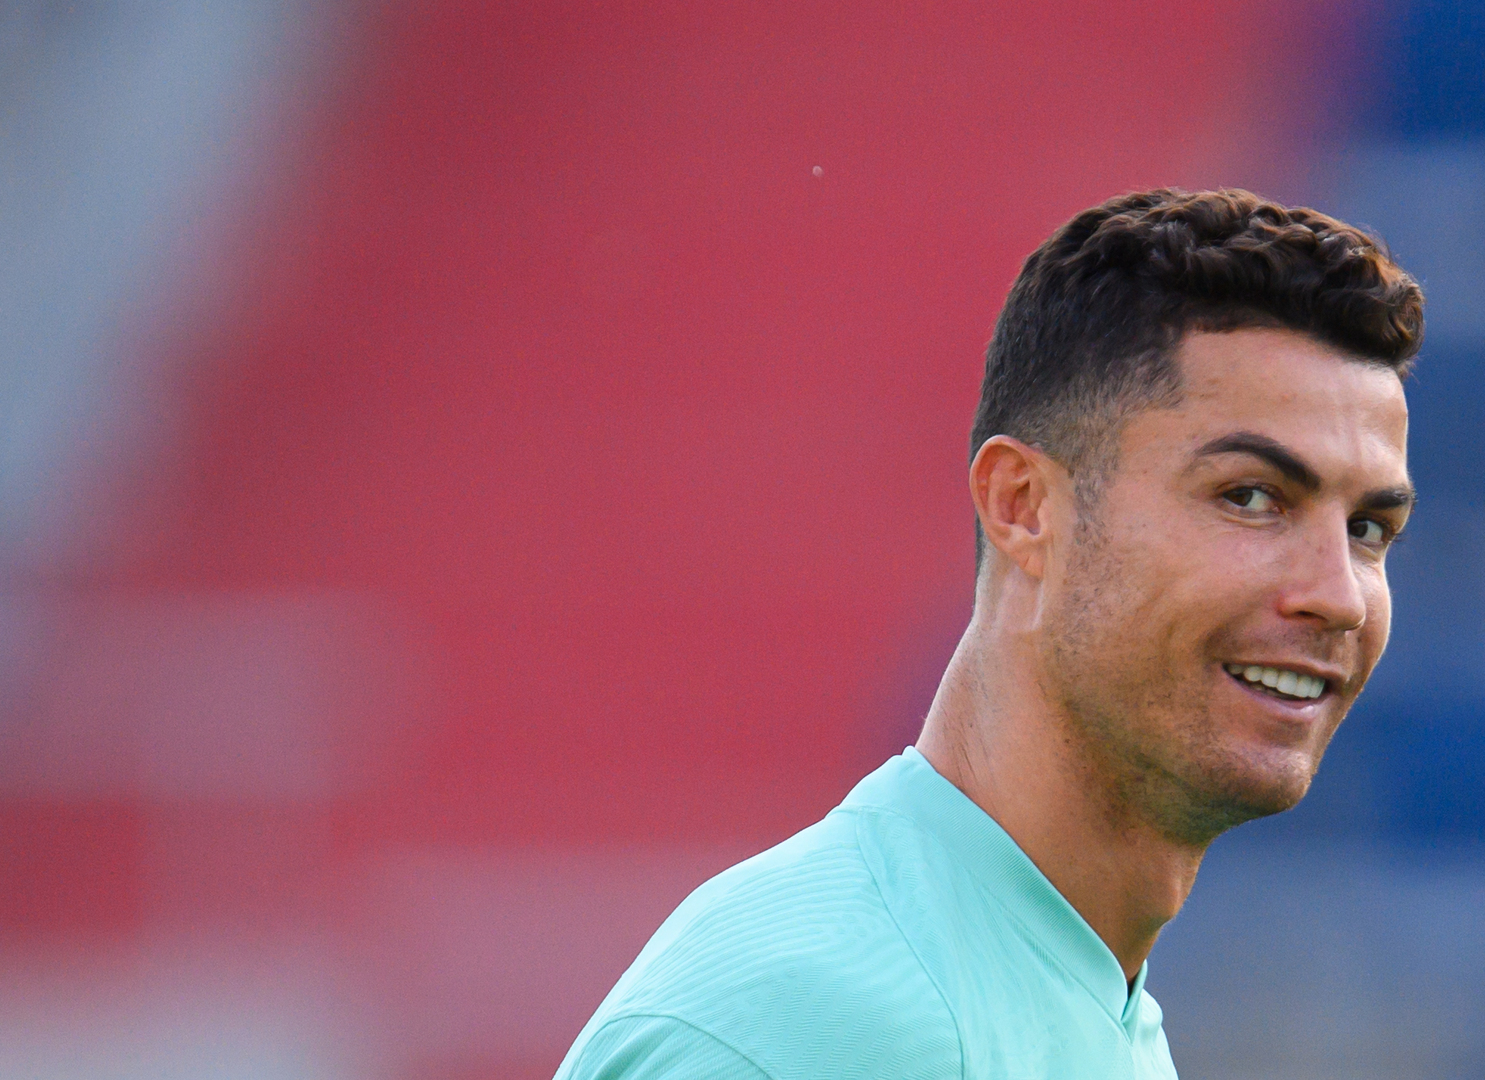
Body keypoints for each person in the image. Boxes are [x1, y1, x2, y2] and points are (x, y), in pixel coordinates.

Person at [553, 189, 1424, 1079]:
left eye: (1368, 529)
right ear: (1024, 506)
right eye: (1250, 497)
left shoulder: (1085, 1005)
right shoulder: (814, 1025)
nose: (1340, 598)